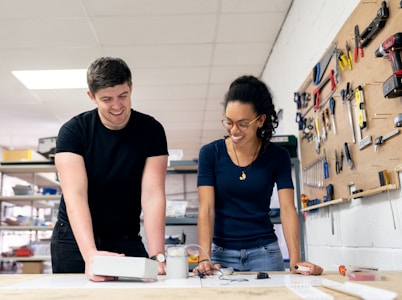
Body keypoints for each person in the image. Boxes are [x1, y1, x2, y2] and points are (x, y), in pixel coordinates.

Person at [51, 57, 169, 281]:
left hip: (124, 235)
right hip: (75, 240)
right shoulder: (73, 132)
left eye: (123, 96)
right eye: (107, 99)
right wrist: (90, 255)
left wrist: (157, 255)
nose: (117, 106)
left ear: (131, 87)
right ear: (91, 96)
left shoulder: (151, 131)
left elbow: (153, 195)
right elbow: (75, 195)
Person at [194, 75, 323, 276]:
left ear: (261, 120)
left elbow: (288, 209)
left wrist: (296, 261)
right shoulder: (210, 153)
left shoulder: (277, 156)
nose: (234, 130)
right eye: (228, 122)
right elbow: (206, 209)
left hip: (265, 253)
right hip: (220, 255)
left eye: (243, 124)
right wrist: (204, 258)